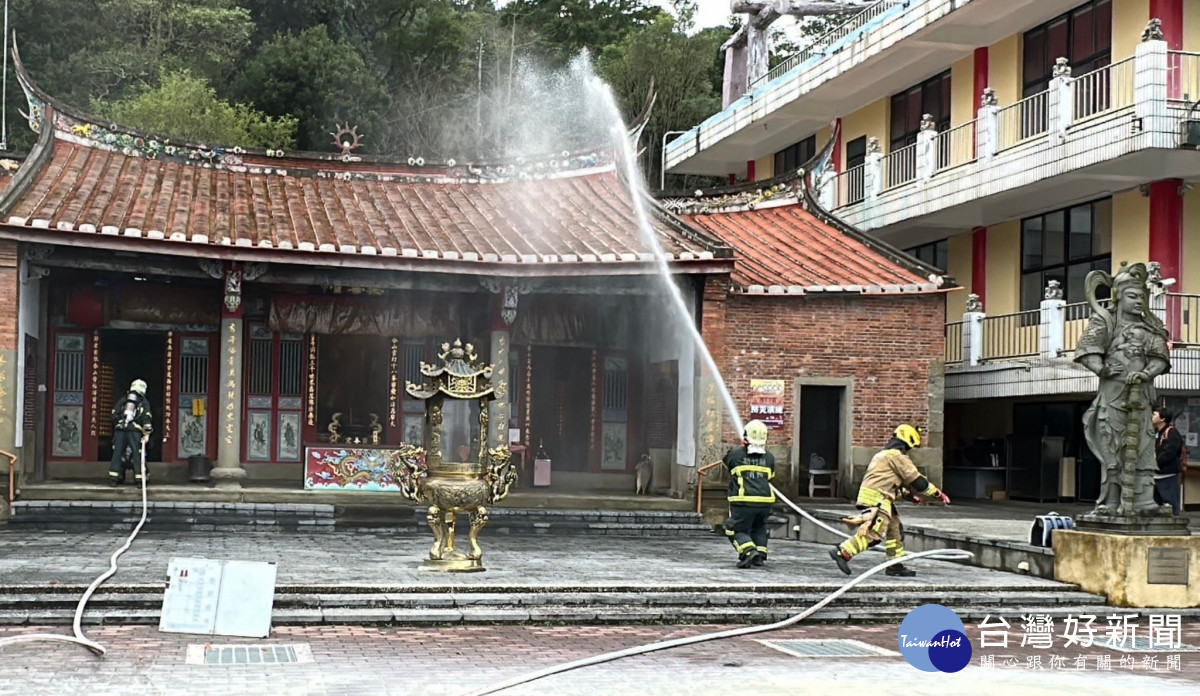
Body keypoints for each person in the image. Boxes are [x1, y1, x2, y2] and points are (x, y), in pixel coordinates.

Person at [829, 424, 949, 577]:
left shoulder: (884, 455)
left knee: (895, 529)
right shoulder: (896, 456)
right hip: (878, 499)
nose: (909, 451)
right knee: (875, 533)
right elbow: (917, 481)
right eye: (910, 447)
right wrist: (937, 494)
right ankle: (842, 552)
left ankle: (895, 565)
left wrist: (910, 497)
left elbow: (892, 482)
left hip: (880, 497)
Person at [698, 419, 776, 568]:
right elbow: (771, 476)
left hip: (743, 501)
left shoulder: (736, 453)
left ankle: (748, 552)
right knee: (759, 527)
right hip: (766, 501)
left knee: (734, 528)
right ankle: (760, 555)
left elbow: (726, 464)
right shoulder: (769, 457)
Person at [108, 379, 153, 486]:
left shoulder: (123, 400)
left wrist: (119, 423)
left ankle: (114, 478)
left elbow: (114, 415)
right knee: (137, 454)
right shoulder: (143, 402)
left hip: (120, 430)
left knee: (117, 453)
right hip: (134, 431)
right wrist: (147, 435)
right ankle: (140, 480)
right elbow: (146, 418)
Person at [1153, 406, 1184, 516]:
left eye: (1155, 414)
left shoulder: (1171, 432)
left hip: (1168, 474)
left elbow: (1170, 452)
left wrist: (1156, 462)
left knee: (1170, 504)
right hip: (1157, 474)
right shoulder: (1158, 432)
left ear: (1162, 418)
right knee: (1158, 505)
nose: (1152, 416)